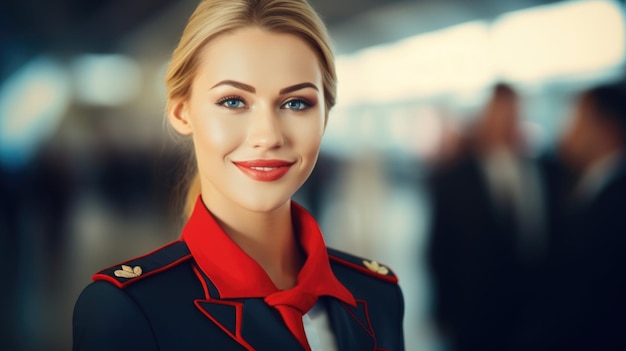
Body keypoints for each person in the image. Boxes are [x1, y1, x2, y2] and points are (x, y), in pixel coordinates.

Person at [71, 1, 405, 350]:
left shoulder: (377, 294)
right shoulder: (127, 310)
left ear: (325, 115)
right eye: (233, 101)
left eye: (296, 103)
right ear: (183, 113)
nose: (268, 136)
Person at [426, 83, 547, 351]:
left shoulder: (539, 169)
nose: (505, 122)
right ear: (486, 116)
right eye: (499, 112)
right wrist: (442, 311)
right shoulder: (455, 178)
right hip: (475, 311)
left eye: (512, 113)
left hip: (530, 310)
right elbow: (439, 248)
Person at [513, 80, 626, 351]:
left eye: (577, 118)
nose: (568, 130)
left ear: (606, 129)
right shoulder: (585, 185)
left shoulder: (616, 201)